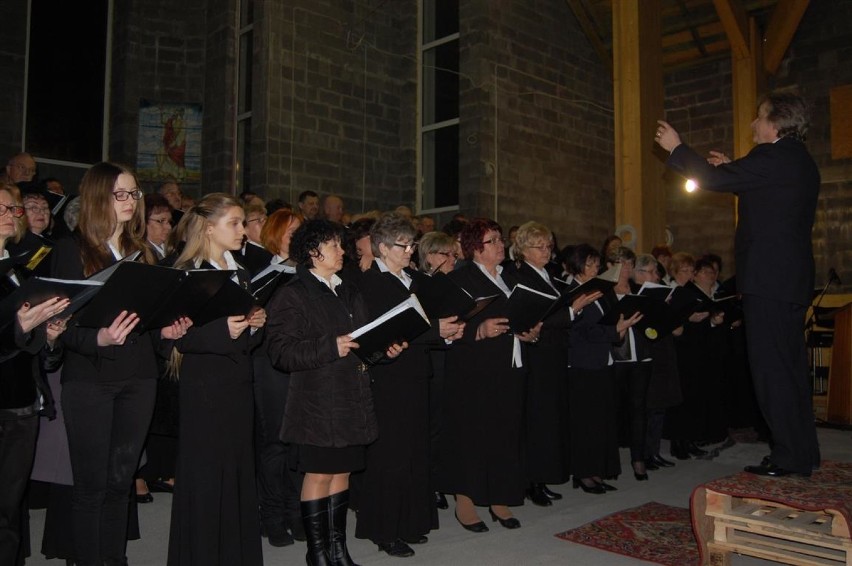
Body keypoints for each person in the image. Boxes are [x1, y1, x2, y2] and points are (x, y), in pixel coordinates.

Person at [656, 90, 820, 477]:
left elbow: (711, 178)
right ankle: (803, 451)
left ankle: (788, 457)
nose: (752, 124)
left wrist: (676, 148)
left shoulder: (774, 156)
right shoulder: (799, 161)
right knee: (791, 370)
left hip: (769, 281)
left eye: (758, 117)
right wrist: (734, 168)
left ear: (776, 123)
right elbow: (758, 191)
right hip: (790, 281)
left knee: (771, 371)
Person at [49, 162, 188, 566]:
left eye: (134, 194)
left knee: (120, 481)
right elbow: (59, 326)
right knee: (91, 485)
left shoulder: (141, 252)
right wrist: (98, 337)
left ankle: (114, 559)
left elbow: (144, 318)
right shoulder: (70, 250)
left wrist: (164, 332)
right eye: (122, 194)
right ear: (98, 197)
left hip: (139, 376)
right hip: (90, 379)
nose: (131, 202)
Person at [265, 219, 403, 566]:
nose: (344, 252)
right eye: (335, 246)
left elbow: (362, 343)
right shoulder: (293, 293)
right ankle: (318, 552)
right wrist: (330, 346)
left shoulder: (349, 290)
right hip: (316, 400)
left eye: (342, 245)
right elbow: (280, 353)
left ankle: (338, 549)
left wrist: (382, 352)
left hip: (351, 397)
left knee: (342, 473)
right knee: (319, 474)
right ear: (314, 251)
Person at [352, 213, 463, 558]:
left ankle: (411, 522)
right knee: (390, 455)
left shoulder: (413, 278)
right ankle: (384, 529)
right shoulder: (369, 283)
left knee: (416, 451)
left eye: (412, 244)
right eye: (404, 245)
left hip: (416, 373)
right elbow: (383, 331)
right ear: (383, 247)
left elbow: (424, 318)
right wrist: (435, 331)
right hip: (388, 377)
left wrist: (448, 328)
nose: (410, 250)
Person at [165, 193, 266, 566]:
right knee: (207, 477)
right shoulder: (188, 269)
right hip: (205, 386)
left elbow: (249, 335)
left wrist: (255, 325)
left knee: (238, 472)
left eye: (243, 222)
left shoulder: (240, 270)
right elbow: (180, 336)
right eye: (235, 223)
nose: (243, 230)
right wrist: (225, 330)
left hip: (238, 384)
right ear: (209, 227)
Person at [438, 219, 541, 532]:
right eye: (493, 240)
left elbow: (519, 317)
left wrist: (530, 332)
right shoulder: (460, 278)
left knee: (505, 433)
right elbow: (445, 324)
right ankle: (465, 500)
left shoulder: (510, 277)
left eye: (500, 239)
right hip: (473, 369)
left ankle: (500, 496)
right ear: (474, 249)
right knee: (471, 435)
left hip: (510, 365)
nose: (501, 245)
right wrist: (477, 330)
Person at [506, 222, 601, 505]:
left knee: (550, 419)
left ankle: (542, 477)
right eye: (540, 246)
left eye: (549, 245)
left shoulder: (548, 274)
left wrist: (570, 310)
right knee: (537, 420)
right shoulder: (516, 274)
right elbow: (532, 318)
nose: (547, 251)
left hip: (554, 353)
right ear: (522, 249)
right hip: (536, 354)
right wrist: (572, 311)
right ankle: (532, 481)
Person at [0, 183, 69, 565]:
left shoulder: (17, 268)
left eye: (13, 208)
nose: (11, 214)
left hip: (23, 400)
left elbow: (37, 351)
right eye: (4, 208)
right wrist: (20, 329)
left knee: (10, 508)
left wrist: (50, 336)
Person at [563, 244, 641, 494]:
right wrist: (613, 330)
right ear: (578, 266)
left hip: (603, 361)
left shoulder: (598, 290)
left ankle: (596, 470)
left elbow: (609, 322)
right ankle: (584, 473)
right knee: (586, 422)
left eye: (597, 263)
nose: (597, 267)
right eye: (591, 263)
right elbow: (578, 332)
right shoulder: (573, 292)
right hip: (583, 365)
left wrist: (619, 327)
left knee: (602, 421)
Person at [253, 209, 303, 546]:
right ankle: (270, 516)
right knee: (275, 443)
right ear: (275, 233)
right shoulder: (261, 273)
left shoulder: (308, 272)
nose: (297, 235)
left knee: (299, 443)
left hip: (303, 362)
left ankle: (295, 512)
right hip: (269, 365)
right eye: (292, 230)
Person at [144, 193, 174, 260]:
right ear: (143, 222)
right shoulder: (141, 256)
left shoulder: (172, 248)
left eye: (169, 221)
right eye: (161, 221)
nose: (169, 227)